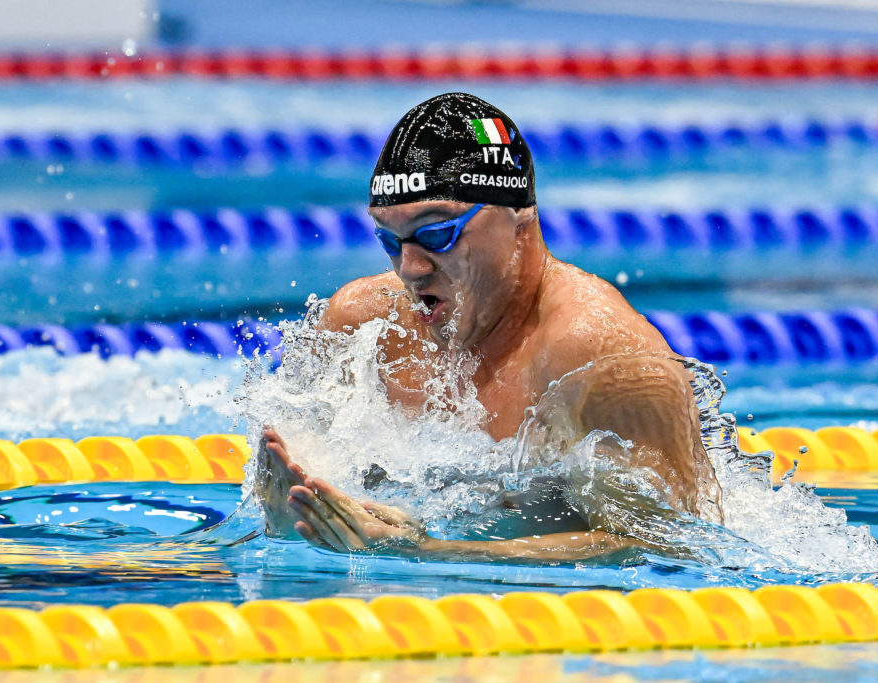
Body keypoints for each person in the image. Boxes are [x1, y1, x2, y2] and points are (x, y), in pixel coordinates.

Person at [257, 92, 719, 562]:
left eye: (438, 233)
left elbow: (672, 548)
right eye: (389, 240)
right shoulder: (362, 326)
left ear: (519, 216)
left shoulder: (602, 359)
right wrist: (285, 515)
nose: (410, 269)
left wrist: (429, 551)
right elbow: (295, 514)